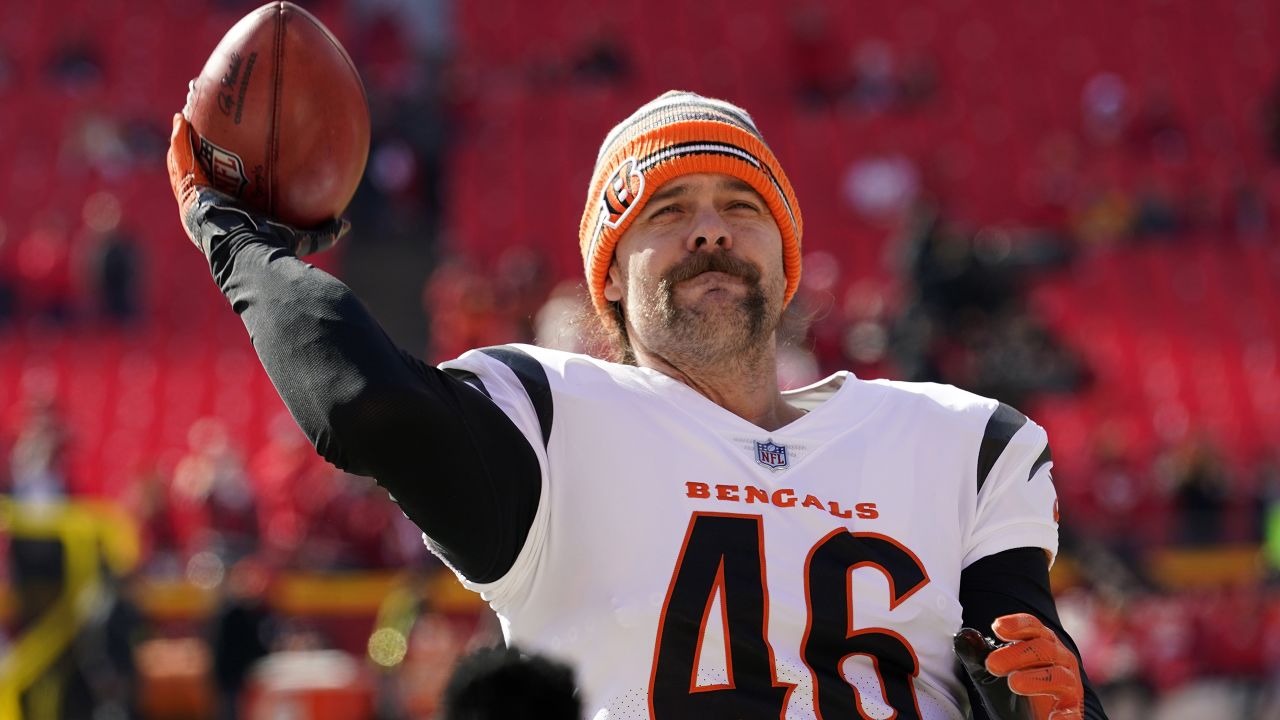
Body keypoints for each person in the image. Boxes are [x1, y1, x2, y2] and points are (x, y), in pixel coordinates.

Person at [168, 90, 1106, 719]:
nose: (709, 226)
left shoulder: (962, 442)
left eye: (742, 206)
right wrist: (236, 243)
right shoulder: (553, 422)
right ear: (609, 276)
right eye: (666, 211)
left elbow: (1040, 680)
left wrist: (1052, 702)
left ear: (786, 263)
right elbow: (365, 404)